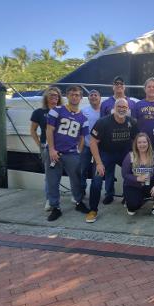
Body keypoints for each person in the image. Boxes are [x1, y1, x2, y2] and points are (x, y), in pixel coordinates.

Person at [86, 98, 138, 223]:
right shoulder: (103, 122)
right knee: (97, 179)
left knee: (134, 172)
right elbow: (93, 142)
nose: (121, 109)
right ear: (114, 108)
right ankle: (93, 210)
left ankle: (130, 200)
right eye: (119, 107)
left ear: (128, 109)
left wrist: (137, 158)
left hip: (124, 153)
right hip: (105, 154)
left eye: (124, 107)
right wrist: (98, 163)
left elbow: (137, 139)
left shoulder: (132, 122)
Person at [45, 85, 90, 221]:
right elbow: (49, 130)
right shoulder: (57, 111)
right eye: (72, 94)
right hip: (55, 152)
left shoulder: (83, 118)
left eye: (77, 95)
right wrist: (52, 149)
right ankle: (55, 207)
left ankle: (78, 202)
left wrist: (78, 151)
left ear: (81, 98)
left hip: (71, 153)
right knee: (53, 180)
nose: (74, 97)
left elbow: (82, 138)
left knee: (76, 179)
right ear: (67, 96)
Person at [30, 86, 62, 211]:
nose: (54, 97)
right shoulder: (38, 112)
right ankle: (50, 199)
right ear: (46, 98)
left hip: (61, 147)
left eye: (56, 95)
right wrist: (40, 144)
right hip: (46, 147)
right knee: (49, 175)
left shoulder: (63, 111)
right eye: (51, 95)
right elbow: (32, 130)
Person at [121, 133, 154, 218]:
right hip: (133, 185)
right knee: (133, 208)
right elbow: (125, 174)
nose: (142, 145)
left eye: (144, 142)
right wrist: (138, 178)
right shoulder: (130, 156)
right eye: (139, 142)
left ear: (148, 143)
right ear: (136, 144)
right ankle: (135, 200)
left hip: (150, 184)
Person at [80, 89, 101, 195]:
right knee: (82, 169)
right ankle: (81, 191)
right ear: (88, 99)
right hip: (86, 146)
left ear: (100, 98)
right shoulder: (84, 111)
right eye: (91, 95)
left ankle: (95, 192)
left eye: (95, 95)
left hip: (100, 147)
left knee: (97, 171)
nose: (93, 97)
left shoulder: (104, 110)